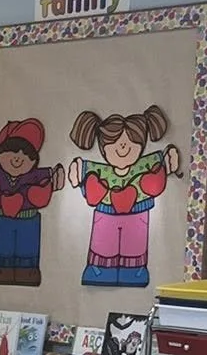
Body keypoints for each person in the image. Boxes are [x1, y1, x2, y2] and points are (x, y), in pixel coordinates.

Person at [69, 105, 181, 286]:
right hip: (106, 214)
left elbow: (160, 168)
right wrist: (78, 171)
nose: (122, 147)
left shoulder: (147, 164)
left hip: (137, 213)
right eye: (114, 143)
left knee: (134, 247)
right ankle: (100, 271)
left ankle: (134, 272)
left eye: (131, 142)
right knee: (104, 246)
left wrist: (167, 162)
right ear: (103, 149)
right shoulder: (97, 170)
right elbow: (83, 175)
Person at [0, 118, 63, 286]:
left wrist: (54, 180)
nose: (18, 158)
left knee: (27, 249)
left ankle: (29, 272)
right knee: (2, 247)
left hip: (29, 219)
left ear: (33, 159)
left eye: (26, 154)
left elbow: (50, 177)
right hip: (2, 218)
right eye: (12, 151)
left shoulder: (35, 176)